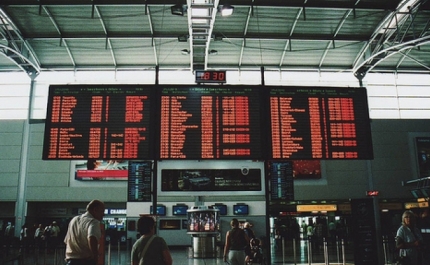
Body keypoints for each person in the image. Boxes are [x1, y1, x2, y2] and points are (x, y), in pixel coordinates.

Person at [64, 199, 105, 265]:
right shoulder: (93, 222)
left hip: (70, 261)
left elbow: (67, 240)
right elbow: (92, 238)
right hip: (85, 261)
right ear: (95, 210)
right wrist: (95, 258)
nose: (103, 214)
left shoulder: (74, 220)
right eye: (102, 211)